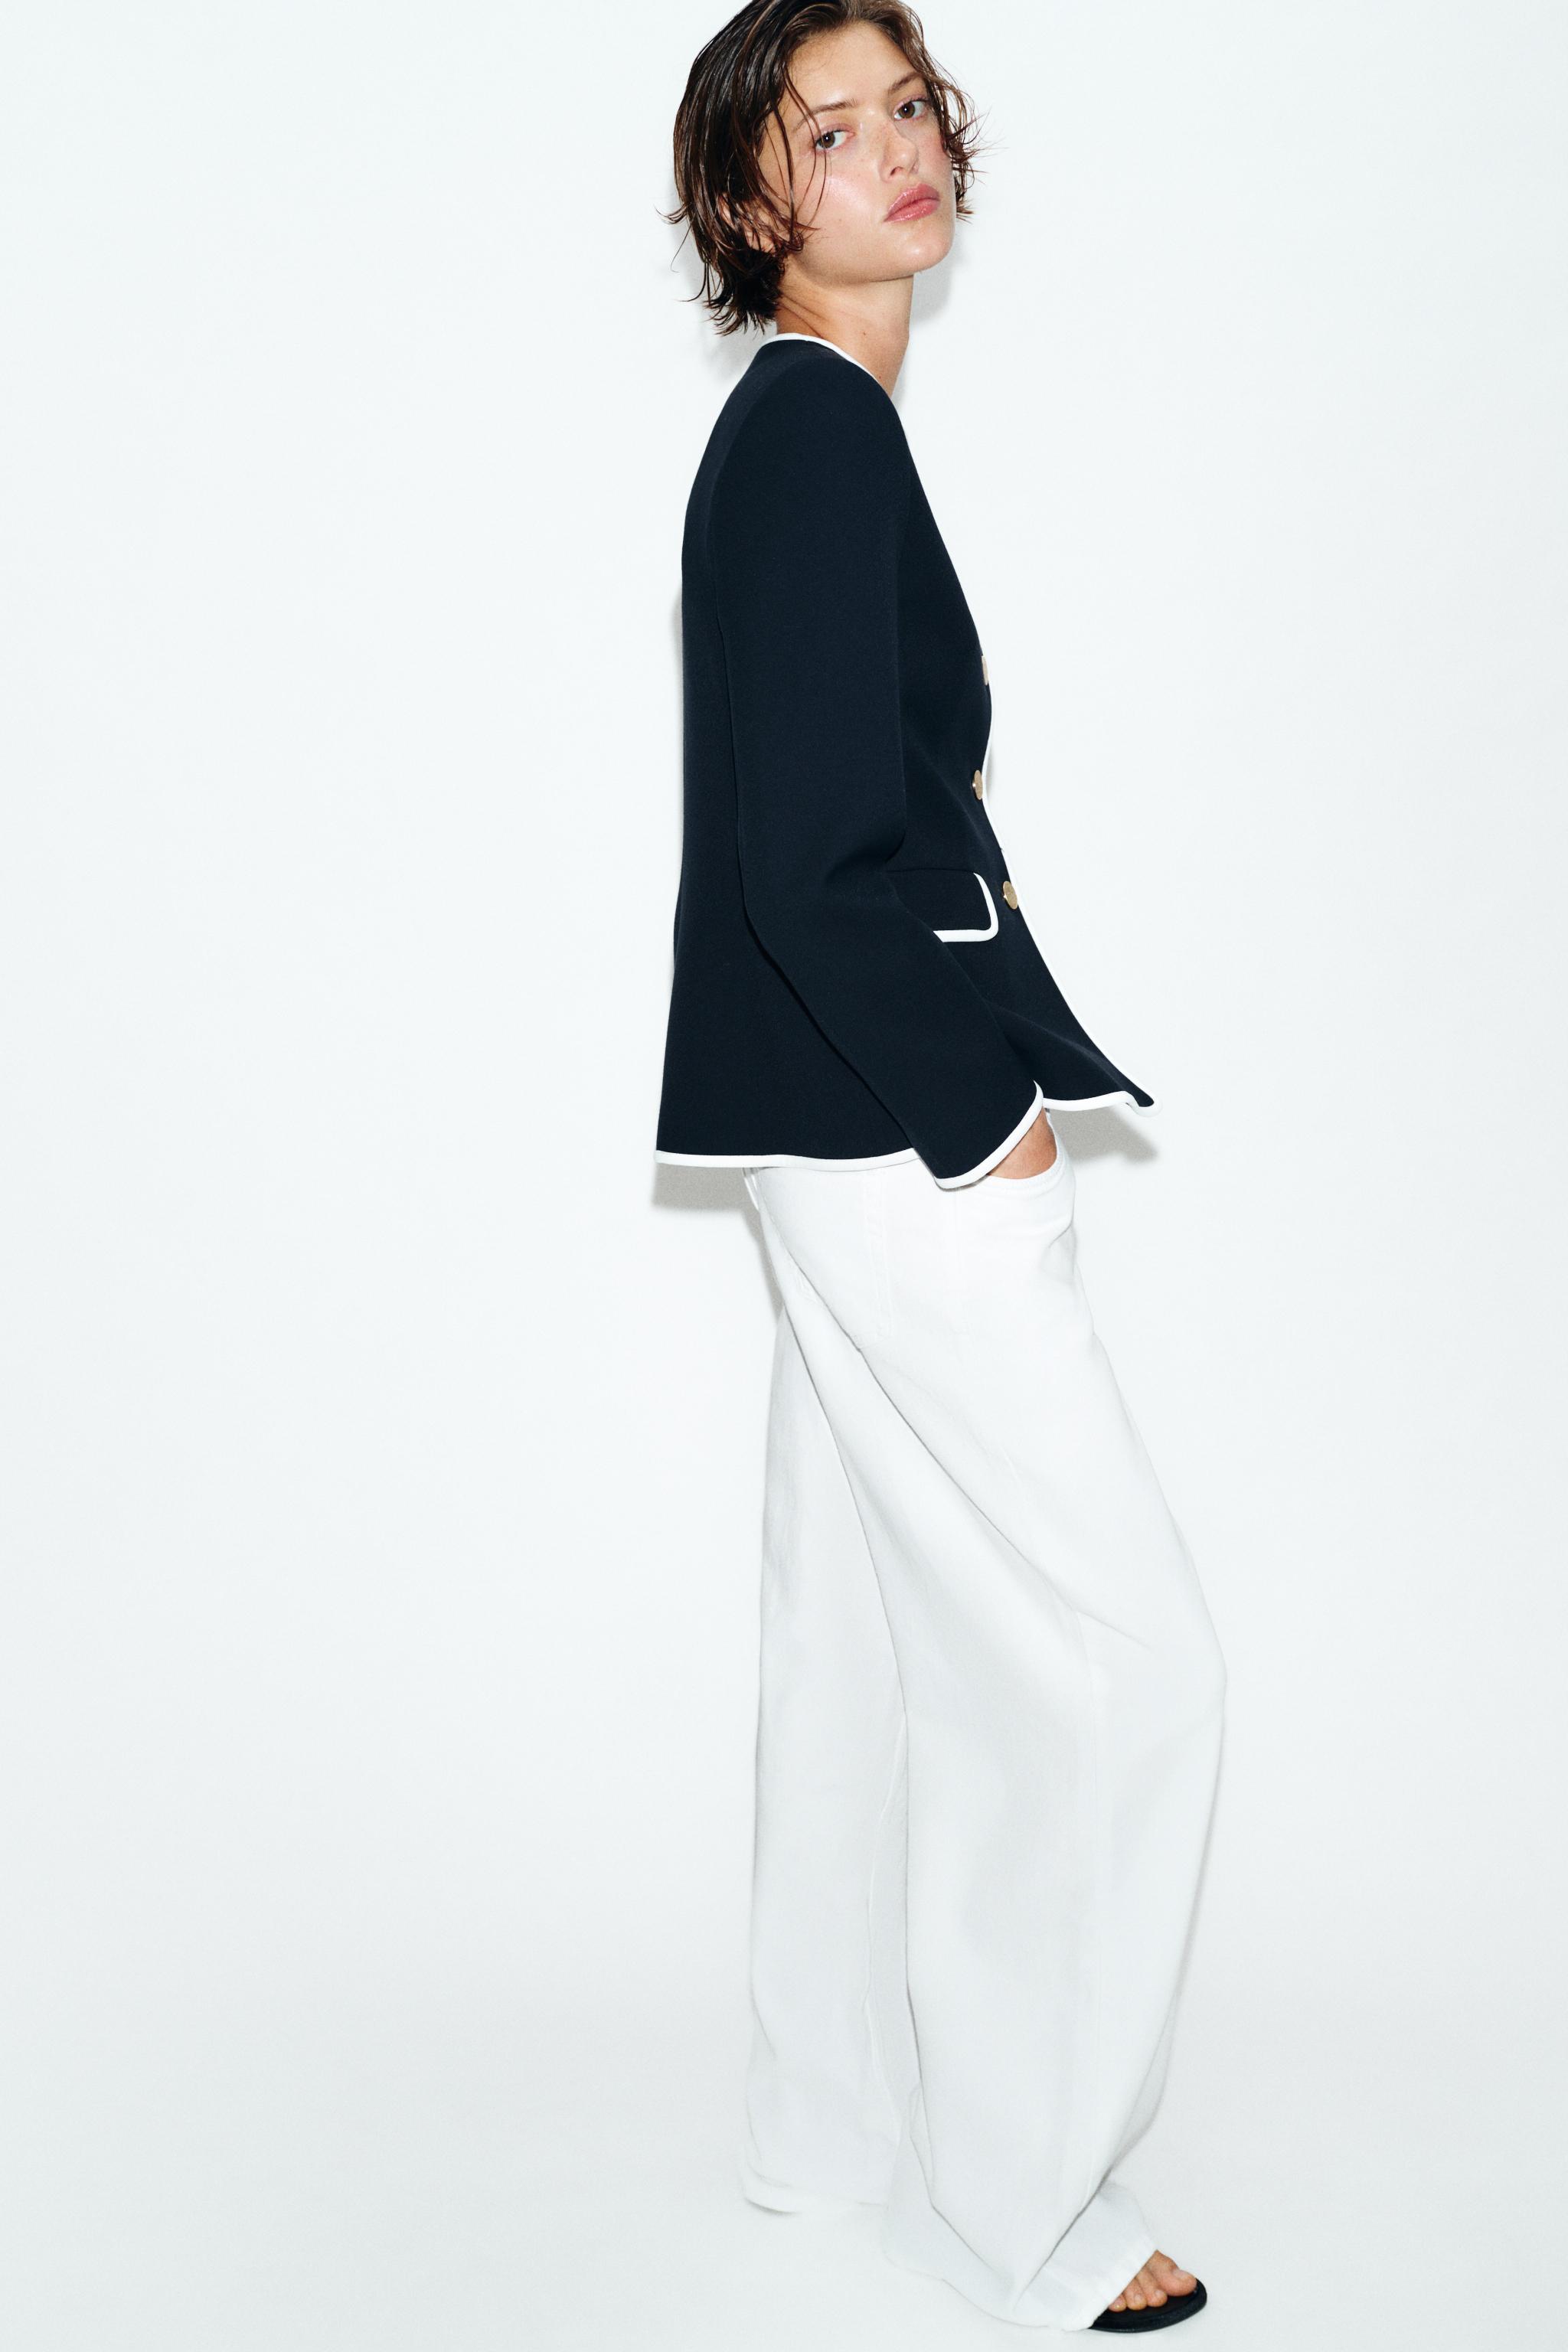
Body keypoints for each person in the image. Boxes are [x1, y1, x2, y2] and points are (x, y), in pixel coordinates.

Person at [655, 2, 1227, 2333]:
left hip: (822, 1125)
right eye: (831, 130)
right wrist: (978, 1108)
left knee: (857, 1643)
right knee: (1121, 1663)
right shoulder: (810, 439)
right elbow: (813, 861)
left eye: (912, 110)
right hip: (893, 1126)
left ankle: (820, 2143)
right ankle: (1035, 2204)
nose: (895, 150)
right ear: (750, 199)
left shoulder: (814, 426)